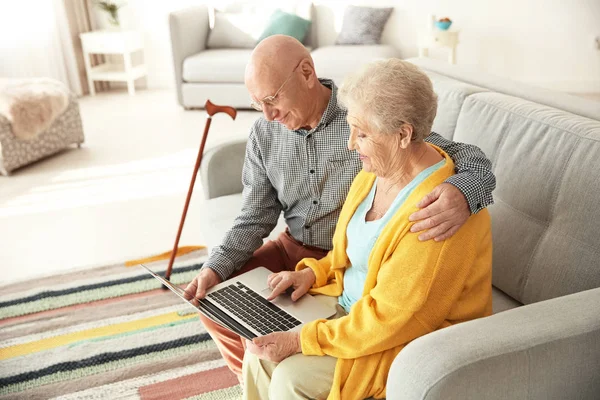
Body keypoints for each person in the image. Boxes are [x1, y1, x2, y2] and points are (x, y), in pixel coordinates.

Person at [184, 35, 496, 380]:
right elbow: (253, 218)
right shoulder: (265, 134)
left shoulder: (367, 118)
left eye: (273, 99)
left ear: (306, 73)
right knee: (216, 302)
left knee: (287, 354)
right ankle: (255, 376)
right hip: (296, 249)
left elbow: (458, 156)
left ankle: (278, 368)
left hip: (345, 255)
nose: (269, 115)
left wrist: (463, 190)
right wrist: (215, 268)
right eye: (259, 104)